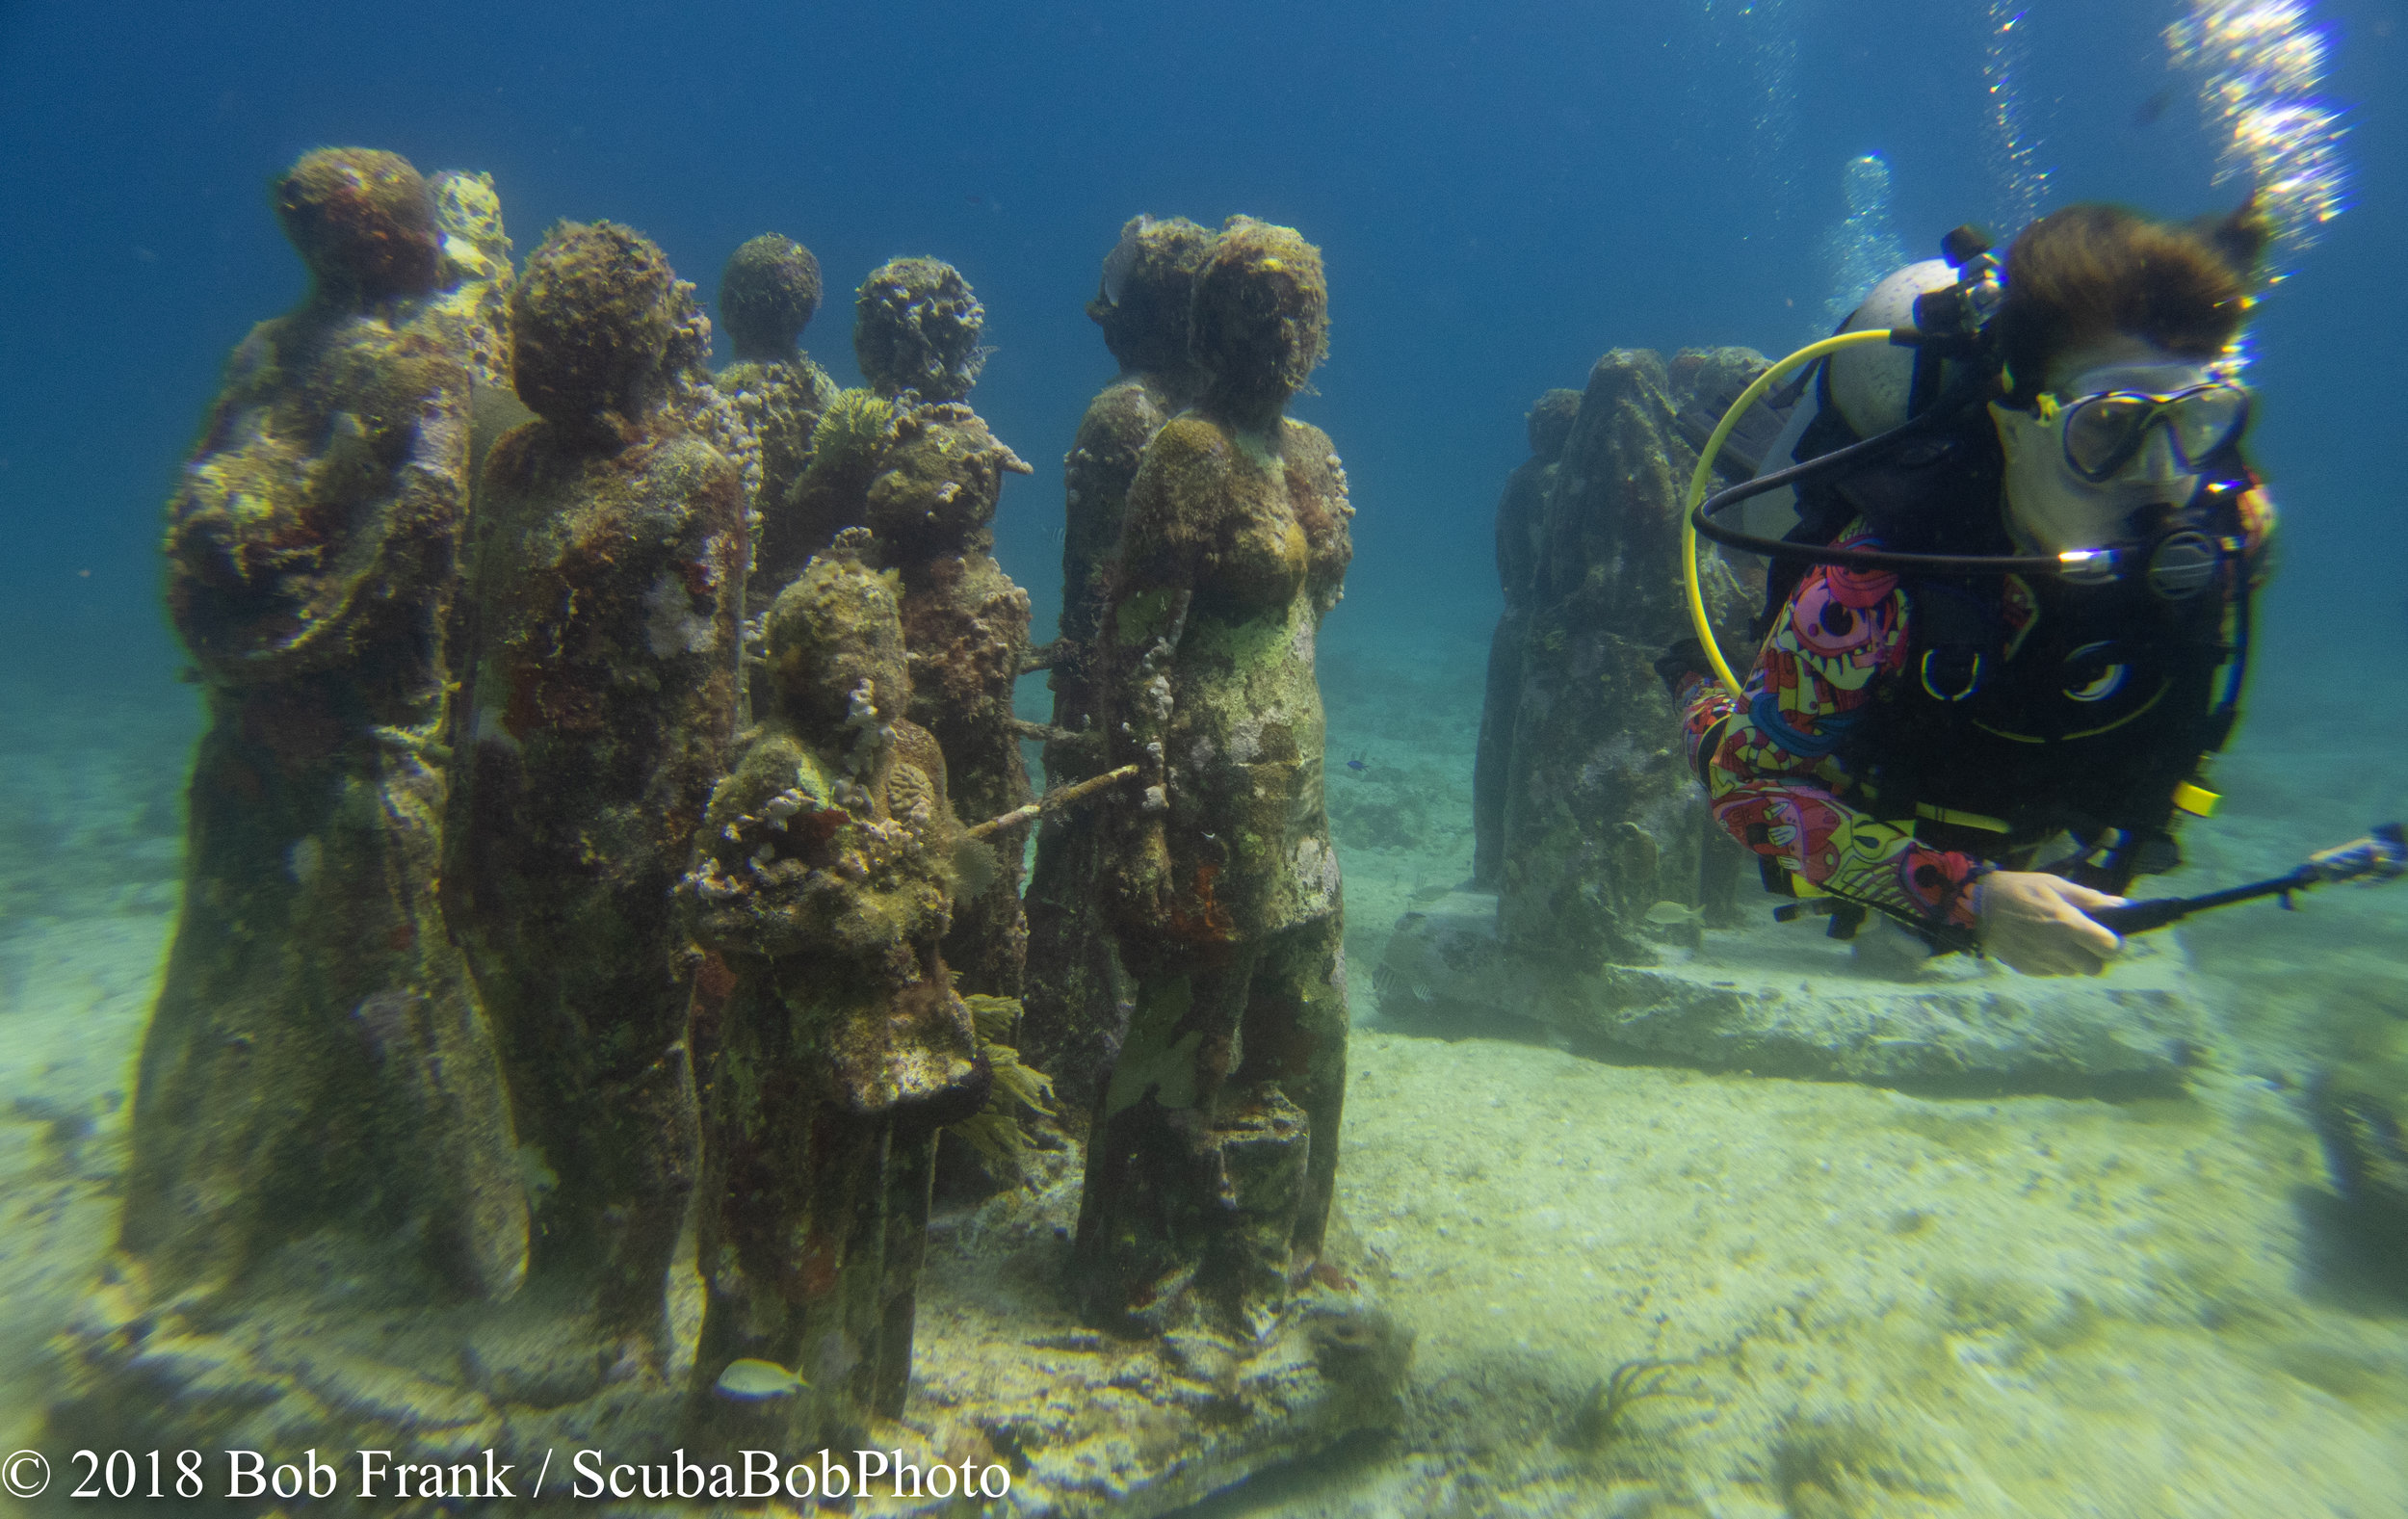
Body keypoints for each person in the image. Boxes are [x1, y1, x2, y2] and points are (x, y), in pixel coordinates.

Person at [1665, 201, 2275, 977]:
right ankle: (1687, 648)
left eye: (2199, 421)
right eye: (2108, 427)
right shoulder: (1864, 593)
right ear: (2014, 420)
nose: (2163, 479)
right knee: (1720, 664)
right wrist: (1967, 898)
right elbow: (1745, 783)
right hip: (1882, 733)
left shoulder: (2227, 527)